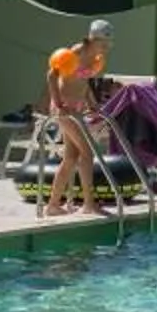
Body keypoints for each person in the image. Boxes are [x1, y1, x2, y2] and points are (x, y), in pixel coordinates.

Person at [39, 18, 111, 218]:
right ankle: (88, 204)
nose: (105, 48)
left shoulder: (95, 58)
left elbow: (83, 82)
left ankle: (53, 205)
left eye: (107, 44)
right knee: (87, 152)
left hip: (77, 110)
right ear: (92, 39)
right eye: (103, 44)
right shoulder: (76, 53)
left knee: (71, 158)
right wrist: (57, 102)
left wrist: (92, 102)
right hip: (64, 109)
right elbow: (51, 76)